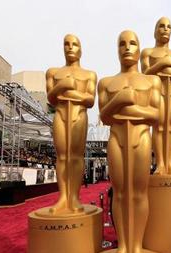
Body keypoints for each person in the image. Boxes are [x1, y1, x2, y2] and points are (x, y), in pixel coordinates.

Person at [98, 30, 161, 253]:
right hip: (117, 138)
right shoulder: (106, 82)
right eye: (122, 43)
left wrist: (128, 108)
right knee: (121, 193)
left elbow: (156, 115)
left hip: (141, 138)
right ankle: (123, 247)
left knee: (139, 193)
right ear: (117, 48)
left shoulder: (151, 81)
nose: (127, 47)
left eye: (132, 43)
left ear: (139, 46)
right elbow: (104, 116)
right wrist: (119, 100)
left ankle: (136, 248)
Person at [45, 34, 97, 214]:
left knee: (75, 156)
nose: (70, 47)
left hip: (79, 115)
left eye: (74, 44)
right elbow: (51, 98)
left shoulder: (89, 74)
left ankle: (74, 196)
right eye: (66, 44)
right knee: (62, 156)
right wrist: (62, 86)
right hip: (60, 114)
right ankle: (63, 197)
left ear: (80, 49)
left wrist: (70, 92)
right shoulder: (53, 72)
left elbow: (90, 100)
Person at [141, 17, 171, 175]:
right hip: (156, 92)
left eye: (168, 26)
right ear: (155, 31)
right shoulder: (148, 52)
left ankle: (169, 164)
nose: (165, 29)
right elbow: (145, 73)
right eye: (161, 26)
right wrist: (162, 64)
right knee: (158, 127)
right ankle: (160, 163)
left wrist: (163, 69)